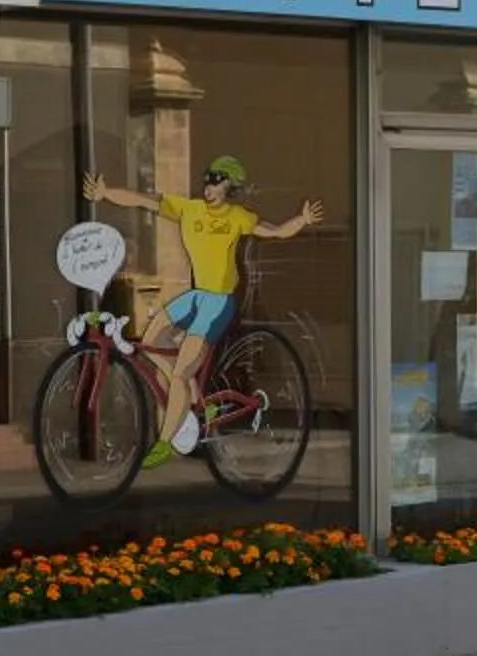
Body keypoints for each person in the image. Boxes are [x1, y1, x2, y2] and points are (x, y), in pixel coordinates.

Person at [82, 155, 322, 467]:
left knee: (180, 372)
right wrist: (105, 193)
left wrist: (302, 220)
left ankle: (165, 443)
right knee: (152, 344)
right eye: (208, 180)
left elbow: (274, 231)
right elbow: (143, 200)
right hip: (196, 296)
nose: (209, 187)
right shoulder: (189, 209)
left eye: (217, 181)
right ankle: (195, 401)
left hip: (218, 302)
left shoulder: (237, 217)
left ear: (230, 186)